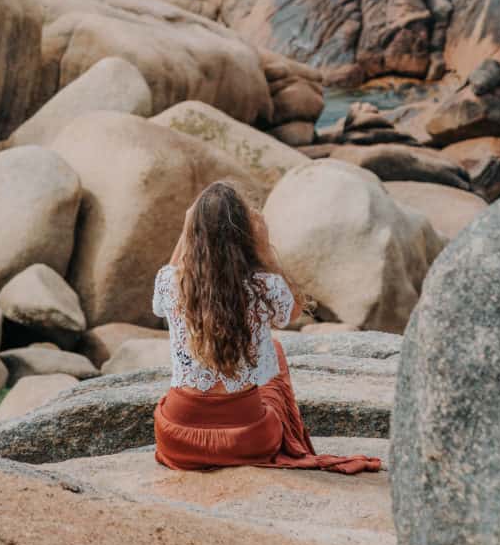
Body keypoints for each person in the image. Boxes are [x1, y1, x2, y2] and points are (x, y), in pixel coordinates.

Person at [152, 180, 382, 475]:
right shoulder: (264, 286)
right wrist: (263, 246)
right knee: (274, 350)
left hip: (177, 439)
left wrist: (187, 229)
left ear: (192, 234)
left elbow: (160, 302)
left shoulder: (172, 283)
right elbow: (292, 313)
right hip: (247, 440)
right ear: (244, 235)